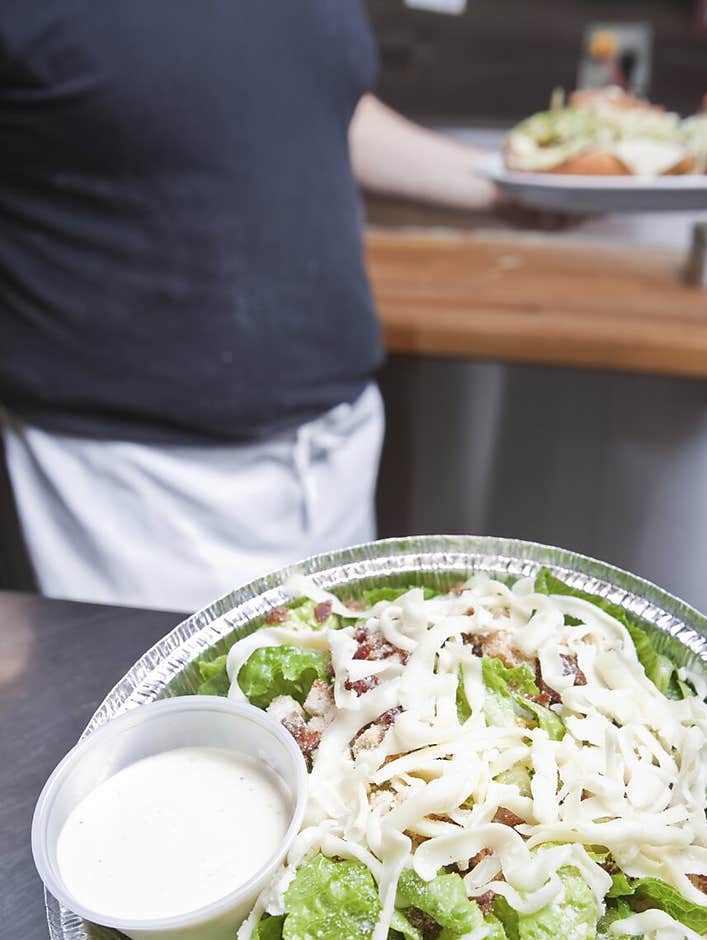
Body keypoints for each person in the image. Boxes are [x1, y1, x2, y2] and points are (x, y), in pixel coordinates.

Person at [0, 2, 513, 611]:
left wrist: (500, 181)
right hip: (130, 484)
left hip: (336, 447)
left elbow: (315, 102)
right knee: (177, 700)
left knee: (336, 694)